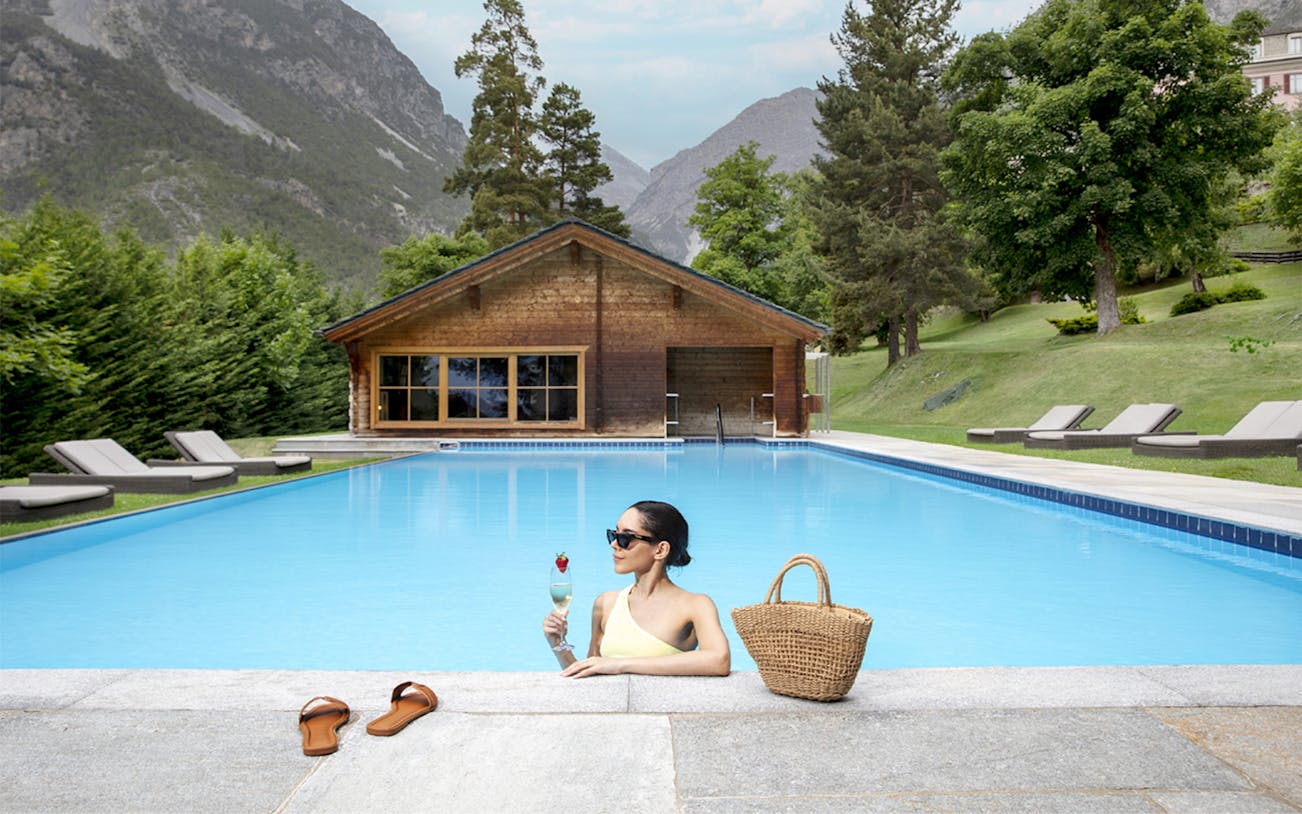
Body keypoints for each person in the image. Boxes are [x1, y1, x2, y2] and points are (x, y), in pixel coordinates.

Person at [542, 500, 731, 677]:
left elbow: (719, 660)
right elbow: (590, 674)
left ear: (660, 550)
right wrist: (557, 643)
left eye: (625, 538)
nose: (614, 544)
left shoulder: (695, 605)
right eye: (613, 535)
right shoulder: (606, 603)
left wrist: (620, 664)